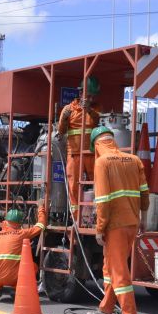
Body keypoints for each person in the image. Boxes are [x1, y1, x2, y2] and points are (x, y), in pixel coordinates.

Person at [86, 126, 150, 314]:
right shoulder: (134, 160)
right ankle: (105, 310)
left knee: (119, 271)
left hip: (115, 226)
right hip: (131, 222)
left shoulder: (101, 162)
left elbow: (103, 201)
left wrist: (99, 228)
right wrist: (143, 218)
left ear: (97, 145)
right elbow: (145, 194)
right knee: (109, 267)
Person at [57, 76, 101, 215]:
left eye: (93, 96)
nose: (91, 99)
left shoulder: (95, 109)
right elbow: (62, 131)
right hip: (74, 153)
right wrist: (64, 118)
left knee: (99, 183)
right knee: (73, 185)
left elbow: (97, 120)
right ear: (81, 93)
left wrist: (89, 110)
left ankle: (97, 215)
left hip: (91, 153)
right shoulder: (68, 109)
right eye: (89, 95)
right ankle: (76, 218)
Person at [0, 206, 47, 301]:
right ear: (19, 223)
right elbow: (40, 226)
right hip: (11, 277)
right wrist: (41, 208)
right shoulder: (21, 234)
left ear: (6, 221)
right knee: (33, 266)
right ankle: (16, 289)